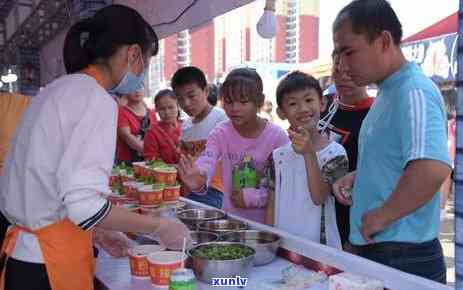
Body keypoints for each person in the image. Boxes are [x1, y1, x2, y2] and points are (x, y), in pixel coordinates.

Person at [0, 5, 189, 290]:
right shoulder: (95, 98)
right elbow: (85, 205)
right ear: (133, 54)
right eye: (146, 63)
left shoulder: (57, 89)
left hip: (25, 256)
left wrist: (99, 232)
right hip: (48, 264)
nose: (143, 74)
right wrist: (161, 227)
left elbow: (50, 187)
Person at [332, 0, 451, 283]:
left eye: (349, 52)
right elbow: (398, 160)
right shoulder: (388, 92)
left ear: (384, 40)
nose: (343, 65)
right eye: (339, 54)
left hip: (405, 256)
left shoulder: (414, 92)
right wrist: (359, 177)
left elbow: (432, 168)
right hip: (380, 249)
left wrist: (382, 216)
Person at [177, 68, 289, 223]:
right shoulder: (220, 133)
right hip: (232, 222)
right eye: (229, 102)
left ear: (260, 101)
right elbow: (207, 159)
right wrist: (199, 178)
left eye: (243, 102)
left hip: (270, 225)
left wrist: (255, 197)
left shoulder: (277, 137)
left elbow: (287, 185)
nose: (235, 108)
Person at [265, 71, 348, 248]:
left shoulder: (336, 153)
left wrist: (309, 153)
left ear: (323, 103)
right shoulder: (277, 156)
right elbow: (271, 205)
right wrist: (268, 243)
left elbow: (319, 197)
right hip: (283, 246)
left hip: (321, 250)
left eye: (309, 100)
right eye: (293, 103)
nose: (303, 108)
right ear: (281, 112)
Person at [319, 61, 374, 248]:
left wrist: (355, 239)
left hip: (347, 223)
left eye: (350, 72)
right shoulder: (322, 107)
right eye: (337, 70)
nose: (343, 77)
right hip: (314, 214)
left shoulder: (375, 116)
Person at [171, 66, 227, 208]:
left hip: (216, 191)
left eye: (191, 96)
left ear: (206, 91)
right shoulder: (185, 127)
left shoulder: (221, 119)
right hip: (192, 190)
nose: (186, 104)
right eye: (180, 98)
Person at [117, 89, 157, 164]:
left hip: (149, 162)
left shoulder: (151, 113)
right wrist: (150, 151)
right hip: (128, 164)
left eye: (140, 87)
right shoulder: (121, 111)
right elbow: (127, 136)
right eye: (133, 88)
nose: (137, 91)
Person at [143, 89, 182, 164]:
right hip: (164, 175)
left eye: (171, 107)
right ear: (156, 110)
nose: (167, 112)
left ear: (178, 106)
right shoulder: (152, 132)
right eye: (162, 109)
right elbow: (151, 161)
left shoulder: (186, 127)